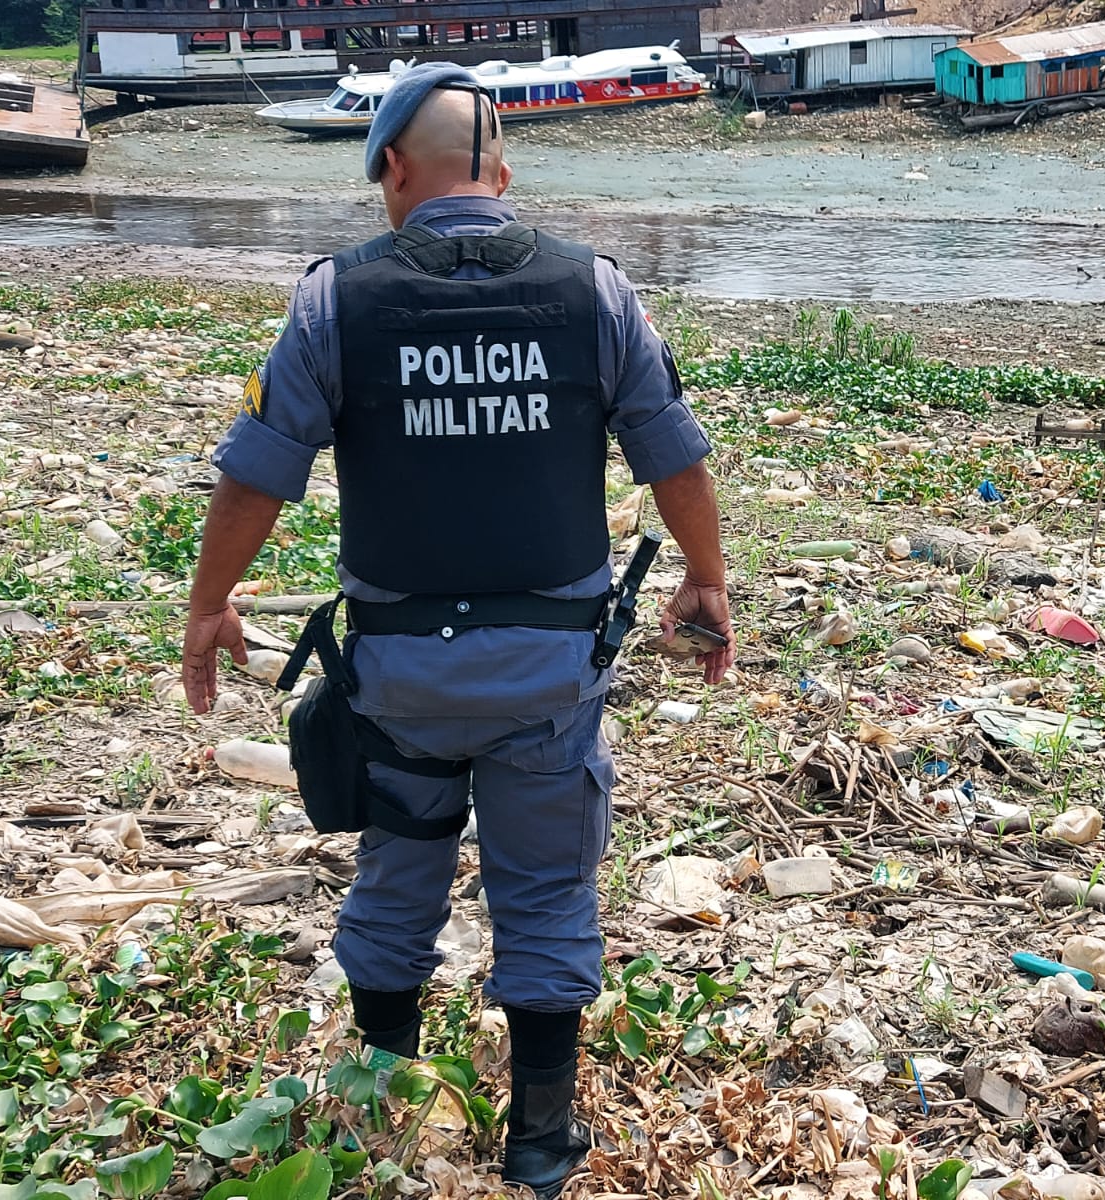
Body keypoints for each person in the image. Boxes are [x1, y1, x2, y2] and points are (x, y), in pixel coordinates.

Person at [178, 62, 734, 1199]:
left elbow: (258, 471)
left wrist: (209, 604)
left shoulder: (337, 298)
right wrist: (704, 579)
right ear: (502, 171)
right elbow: (671, 451)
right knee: (542, 888)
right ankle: (538, 1138)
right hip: (547, 673)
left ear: (391, 168)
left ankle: (382, 1106)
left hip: (398, 674)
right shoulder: (595, 292)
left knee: (397, 873)